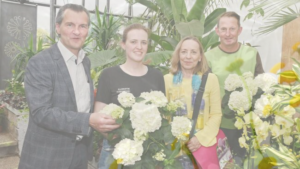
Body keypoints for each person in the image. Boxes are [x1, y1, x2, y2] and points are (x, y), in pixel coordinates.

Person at [18, 4, 119, 169]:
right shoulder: (40, 63)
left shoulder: (85, 62)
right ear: (58, 27)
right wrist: (88, 120)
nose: (77, 31)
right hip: (47, 157)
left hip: (79, 155)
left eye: (82, 26)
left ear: (87, 30)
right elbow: (41, 112)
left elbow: (81, 103)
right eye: (70, 25)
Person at [94, 23, 165, 169]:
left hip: (147, 155)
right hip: (114, 152)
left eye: (143, 42)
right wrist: (121, 140)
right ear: (123, 44)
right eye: (133, 42)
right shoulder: (109, 75)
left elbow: (161, 118)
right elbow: (98, 117)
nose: (139, 46)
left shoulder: (156, 76)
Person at [205, 11, 264, 165]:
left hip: (248, 125)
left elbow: (262, 85)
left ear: (240, 30)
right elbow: (204, 93)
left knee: (247, 164)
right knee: (222, 165)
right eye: (223, 29)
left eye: (232, 29)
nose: (228, 33)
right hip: (219, 126)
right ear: (217, 31)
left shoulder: (252, 54)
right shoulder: (208, 57)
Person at [164, 36, 223, 168]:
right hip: (174, 150)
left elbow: (216, 114)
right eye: (184, 52)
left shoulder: (210, 79)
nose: (188, 56)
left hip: (201, 148)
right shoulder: (167, 80)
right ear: (178, 55)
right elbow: (163, 116)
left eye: (193, 52)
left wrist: (200, 138)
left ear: (200, 56)